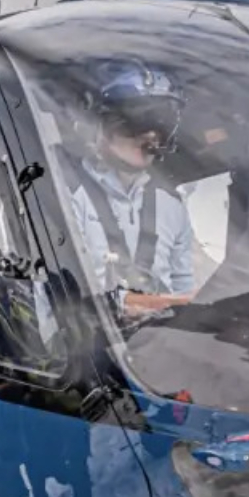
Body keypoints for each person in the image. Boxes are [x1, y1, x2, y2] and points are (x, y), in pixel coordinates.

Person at [65, 58, 196, 319]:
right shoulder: (65, 193)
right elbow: (69, 299)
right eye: (136, 118)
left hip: (158, 347)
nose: (151, 135)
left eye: (162, 121)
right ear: (98, 124)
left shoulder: (171, 205)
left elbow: (184, 288)